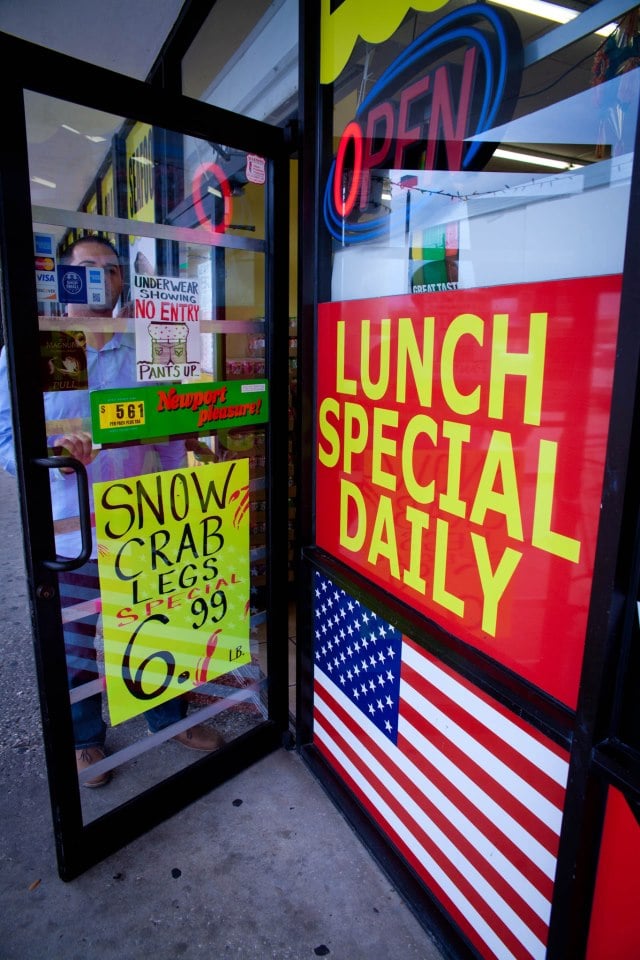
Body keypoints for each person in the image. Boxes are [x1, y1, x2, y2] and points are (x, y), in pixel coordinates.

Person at [0, 235, 224, 787]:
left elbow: (169, 429)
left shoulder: (149, 343)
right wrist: (55, 454)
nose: (103, 277)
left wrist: (180, 490)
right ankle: (84, 738)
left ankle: (169, 719)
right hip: (70, 525)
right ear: (65, 278)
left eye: (112, 268)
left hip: (143, 517)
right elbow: (8, 441)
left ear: (123, 281)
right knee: (76, 636)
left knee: (153, 624)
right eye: (89, 268)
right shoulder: (38, 347)